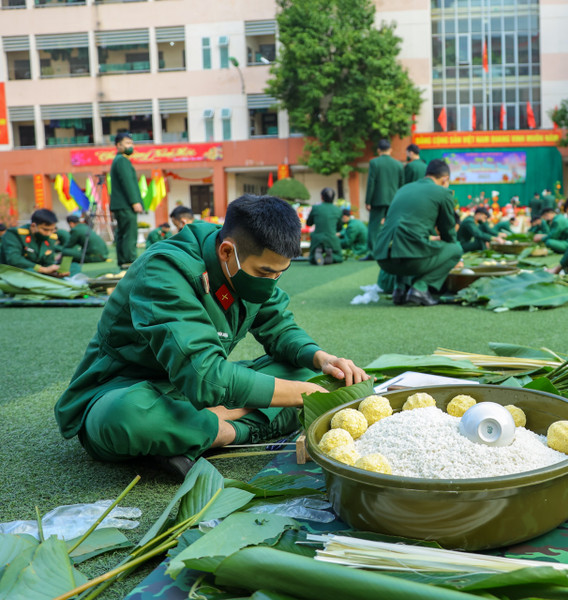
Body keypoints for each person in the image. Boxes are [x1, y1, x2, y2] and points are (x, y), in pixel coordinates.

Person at [54, 195, 368, 478]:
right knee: (125, 418)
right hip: (127, 390)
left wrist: (322, 358)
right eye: (264, 273)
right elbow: (204, 377)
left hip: (196, 388)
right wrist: (304, 395)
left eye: (279, 273)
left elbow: (280, 328)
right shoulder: (165, 270)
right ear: (227, 251)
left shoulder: (248, 268)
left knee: (307, 373)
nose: (272, 283)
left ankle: (208, 428)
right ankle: (226, 432)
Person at [374, 159, 463, 307]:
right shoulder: (443, 192)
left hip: (384, 259)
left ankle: (400, 290)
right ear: (445, 179)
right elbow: (449, 234)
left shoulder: (403, 189)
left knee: (402, 244)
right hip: (411, 261)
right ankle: (420, 289)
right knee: (455, 249)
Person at [109, 132, 144, 269]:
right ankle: (129, 261)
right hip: (125, 204)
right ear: (118, 145)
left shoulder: (119, 160)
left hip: (121, 204)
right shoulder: (122, 161)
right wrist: (135, 201)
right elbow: (127, 182)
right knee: (129, 233)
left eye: (132, 143)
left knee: (123, 233)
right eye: (127, 143)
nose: (131, 146)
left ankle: (124, 262)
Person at [365, 139, 404, 258]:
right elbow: (402, 184)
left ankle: (373, 252)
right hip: (394, 200)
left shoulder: (374, 162)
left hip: (378, 200)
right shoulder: (398, 164)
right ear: (391, 150)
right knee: (393, 225)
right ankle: (393, 250)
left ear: (378, 150)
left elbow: (371, 182)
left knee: (374, 227)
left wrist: (368, 201)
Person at [1, 209, 64, 276]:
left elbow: (48, 262)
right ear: (33, 226)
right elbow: (14, 259)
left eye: (52, 230)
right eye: (45, 229)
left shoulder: (50, 238)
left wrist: (55, 272)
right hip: (10, 275)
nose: (49, 233)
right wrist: (41, 269)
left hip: (35, 276)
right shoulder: (15, 234)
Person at [306, 188, 343, 265]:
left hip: (317, 239)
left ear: (322, 197)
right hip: (332, 239)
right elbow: (339, 228)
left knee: (312, 259)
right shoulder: (338, 210)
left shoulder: (316, 208)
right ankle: (331, 256)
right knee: (339, 257)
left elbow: (309, 223)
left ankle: (318, 251)